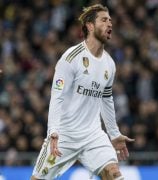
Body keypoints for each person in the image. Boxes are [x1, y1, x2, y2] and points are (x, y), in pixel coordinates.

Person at [31, 4, 134, 180]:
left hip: (92, 135)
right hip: (64, 135)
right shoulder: (71, 58)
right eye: (104, 20)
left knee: (114, 174)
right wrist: (53, 131)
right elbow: (57, 96)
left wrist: (114, 134)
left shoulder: (110, 64)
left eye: (110, 20)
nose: (110, 24)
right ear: (90, 26)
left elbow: (106, 99)